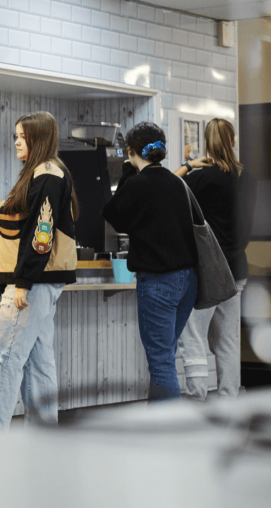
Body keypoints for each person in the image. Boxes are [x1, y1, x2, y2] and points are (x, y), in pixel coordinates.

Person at [0, 111, 78, 433]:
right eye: (16, 136)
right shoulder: (46, 172)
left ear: (38, 139)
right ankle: (43, 441)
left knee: (3, 359)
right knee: (37, 364)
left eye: (22, 136)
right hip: (39, 284)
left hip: (30, 286)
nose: (17, 142)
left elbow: (41, 232)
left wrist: (23, 283)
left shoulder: (47, 174)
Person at [103, 122, 198, 402]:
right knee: (166, 356)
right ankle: (161, 428)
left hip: (158, 282)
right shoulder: (177, 182)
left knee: (161, 363)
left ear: (131, 152)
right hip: (188, 282)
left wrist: (125, 174)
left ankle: (167, 436)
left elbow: (112, 214)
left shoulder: (136, 184)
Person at [174, 118, 252, 400]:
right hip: (236, 269)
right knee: (227, 340)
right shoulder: (246, 176)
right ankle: (229, 401)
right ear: (232, 141)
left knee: (192, 335)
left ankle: (195, 396)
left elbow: (166, 186)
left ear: (208, 144)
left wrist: (189, 165)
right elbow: (247, 225)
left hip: (207, 270)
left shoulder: (200, 178)